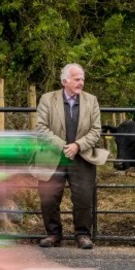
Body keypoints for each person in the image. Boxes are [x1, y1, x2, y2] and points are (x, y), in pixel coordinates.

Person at [31, 63, 109, 249]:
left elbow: (96, 130)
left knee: (83, 198)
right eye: (77, 79)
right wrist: (63, 146)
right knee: (49, 197)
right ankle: (53, 234)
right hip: (52, 155)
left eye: (82, 79)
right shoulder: (48, 99)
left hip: (82, 157)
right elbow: (41, 128)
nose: (81, 82)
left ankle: (82, 235)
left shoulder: (92, 101)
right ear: (64, 80)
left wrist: (77, 146)